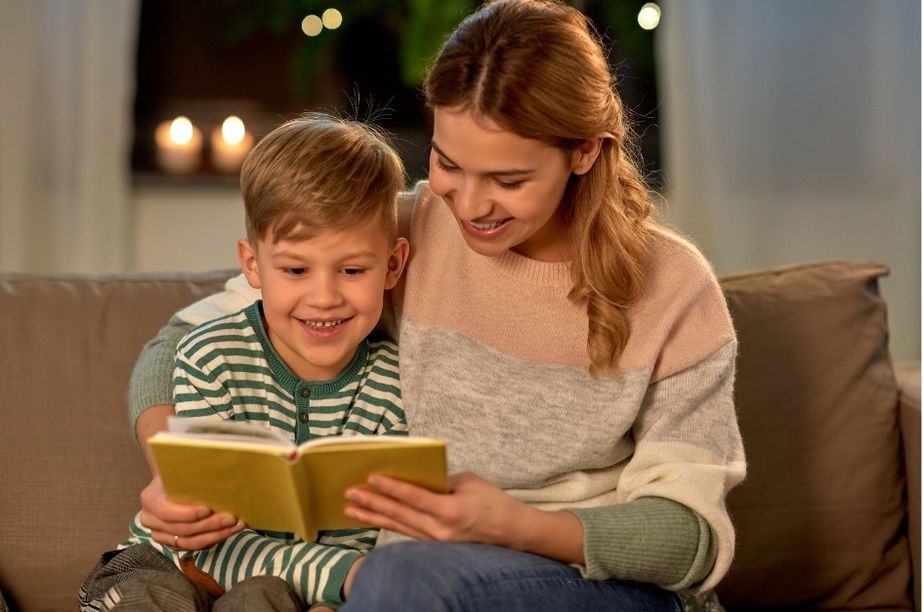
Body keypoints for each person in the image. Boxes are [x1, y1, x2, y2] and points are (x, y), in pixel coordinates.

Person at [127, 0, 746, 610]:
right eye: (448, 163)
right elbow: (185, 337)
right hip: (405, 576)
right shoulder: (406, 232)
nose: (470, 205)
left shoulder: (672, 287)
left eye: (508, 181)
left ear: (583, 153)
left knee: (406, 579)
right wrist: (176, 473)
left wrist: (512, 525)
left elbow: (689, 538)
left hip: (592, 587)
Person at [81, 112, 411, 611]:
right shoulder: (209, 357)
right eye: (296, 269)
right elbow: (206, 540)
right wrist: (344, 576)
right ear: (253, 265)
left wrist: (340, 589)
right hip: (168, 562)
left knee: (266, 599)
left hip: (284, 589)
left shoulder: (396, 386)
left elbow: (366, 545)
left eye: (351, 269)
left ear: (392, 265)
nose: (324, 297)